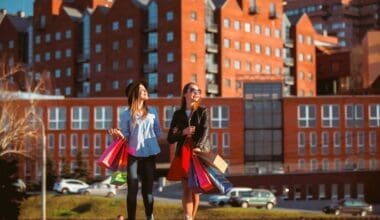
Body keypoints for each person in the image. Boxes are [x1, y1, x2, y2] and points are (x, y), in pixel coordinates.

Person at [109, 80, 161, 220]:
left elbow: (158, 132)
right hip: (132, 155)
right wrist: (119, 135)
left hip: (149, 155)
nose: (145, 91)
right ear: (134, 94)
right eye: (142, 89)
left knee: (147, 191)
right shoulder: (125, 114)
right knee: (132, 188)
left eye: (145, 89)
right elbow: (125, 135)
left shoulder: (153, 112)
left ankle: (149, 216)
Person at [167, 82, 211, 220]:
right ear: (185, 93)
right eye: (192, 90)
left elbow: (205, 131)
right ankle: (187, 217)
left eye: (198, 90)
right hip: (183, 153)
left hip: (198, 152)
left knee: (195, 190)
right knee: (186, 187)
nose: (196, 92)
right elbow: (170, 138)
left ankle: (191, 217)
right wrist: (183, 132)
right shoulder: (177, 114)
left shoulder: (202, 111)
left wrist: (199, 146)